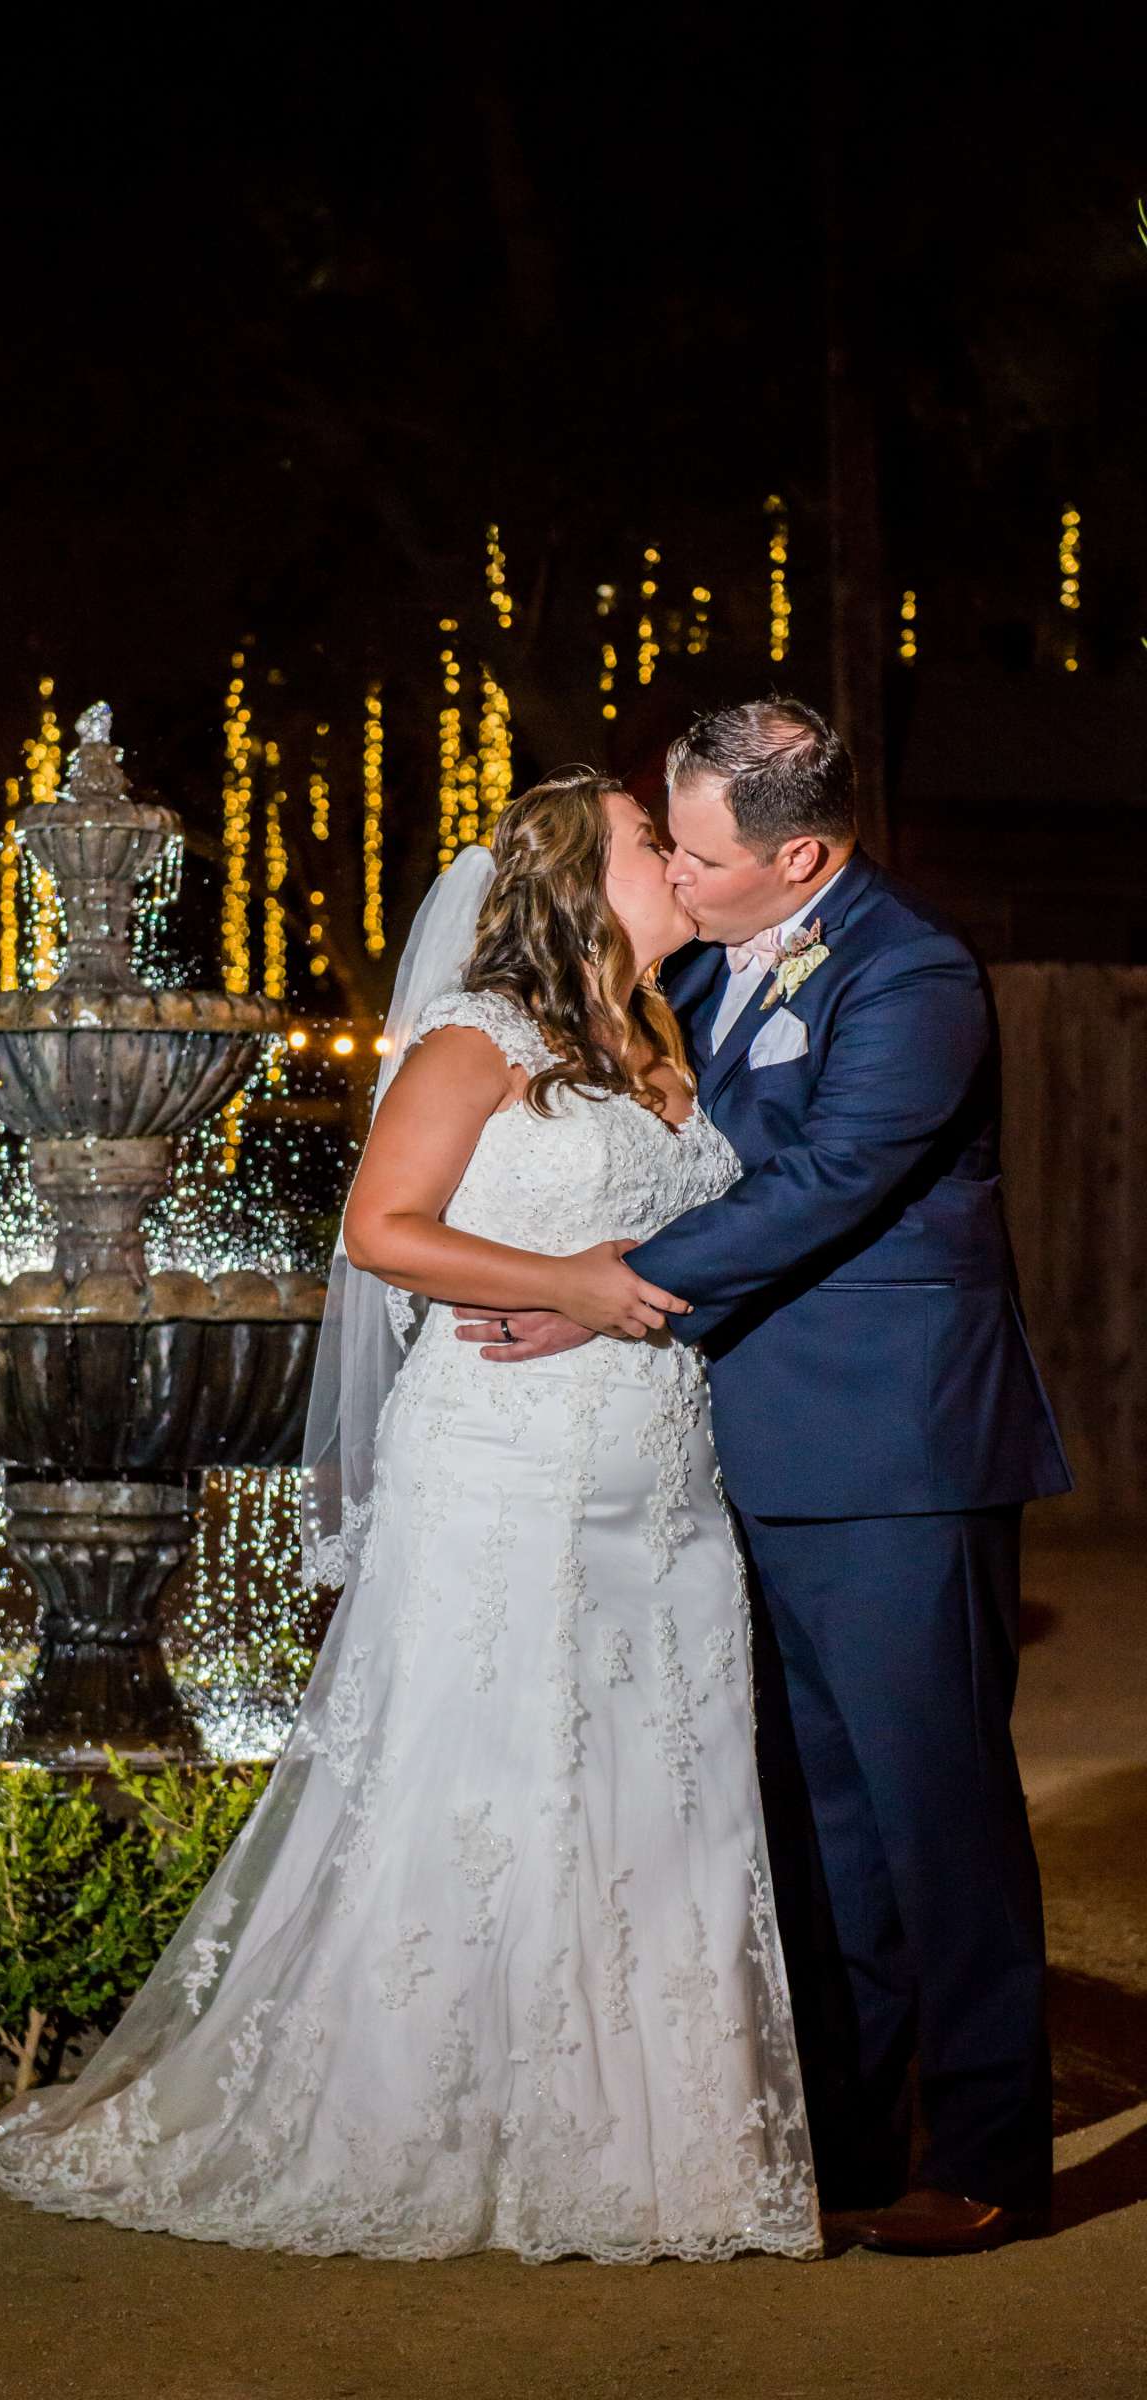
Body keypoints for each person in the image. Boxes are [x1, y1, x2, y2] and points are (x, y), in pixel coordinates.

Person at [0, 768, 821, 2265]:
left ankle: (650, 2151)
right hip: (501, 1458)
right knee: (490, 1772)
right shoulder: (477, 1037)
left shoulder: (664, 1040)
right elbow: (382, 1231)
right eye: (644, 846)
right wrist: (569, 1286)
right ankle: (419, 2114)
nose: (679, 867)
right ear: (569, 880)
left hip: (662, 1469)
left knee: (655, 1779)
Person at [458, 701, 1070, 2255]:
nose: (673, 868)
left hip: (893, 1461)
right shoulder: (711, 968)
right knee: (820, 1827)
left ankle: (991, 2151)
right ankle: (854, 2147)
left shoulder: (910, 973)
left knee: (938, 1813)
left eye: (698, 849)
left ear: (799, 853)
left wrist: (605, 1278)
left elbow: (830, 1179)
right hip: (742, 1456)